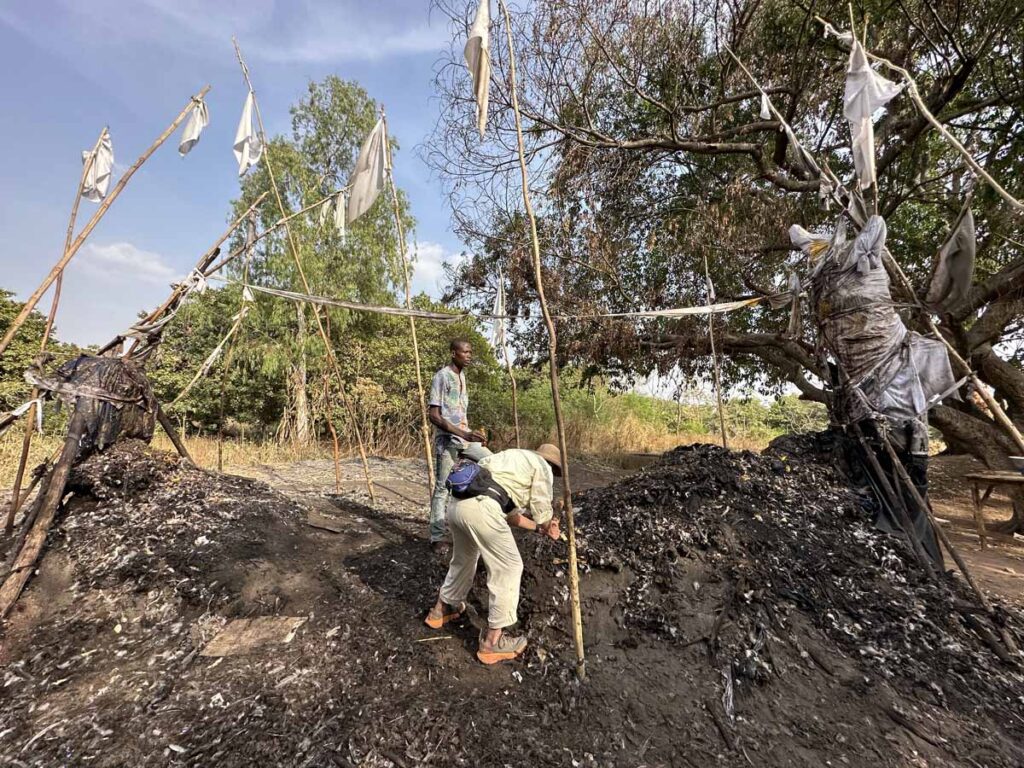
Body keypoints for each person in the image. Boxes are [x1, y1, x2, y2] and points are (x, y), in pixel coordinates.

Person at [425, 444, 563, 665]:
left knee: (463, 559)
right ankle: (492, 642)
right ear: (552, 466)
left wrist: (539, 529)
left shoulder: (511, 458)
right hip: (483, 509)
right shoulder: (541, 467)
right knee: (509, 567)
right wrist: (549, 525)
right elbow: (541, 509)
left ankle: (440, 610)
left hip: (457, 506)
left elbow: (511, 516)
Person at [427, 338, 491, 555]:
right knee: (442, 488)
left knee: (491, 464)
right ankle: (437, 537)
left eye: (470, 352)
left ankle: (475, 522)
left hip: (464, 440)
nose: (469, 355)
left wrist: (473, 435)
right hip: (448, 443)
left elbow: (459, 414)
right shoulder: (442, 377)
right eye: (465, 352)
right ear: (454, 353)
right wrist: (463, 433)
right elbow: (434, 416)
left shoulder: (462, 377)